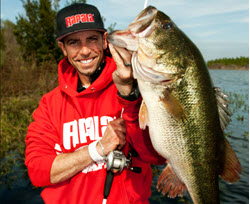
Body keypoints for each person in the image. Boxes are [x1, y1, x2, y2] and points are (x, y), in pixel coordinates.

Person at [25, 3, 165, 204]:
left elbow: (156, 156)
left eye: (92, 39)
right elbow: (38, 172)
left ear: (105, 40)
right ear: (63, 48)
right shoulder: (49, 104)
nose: (84, 51)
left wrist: (129, 95)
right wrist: (98, 149)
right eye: (73, 42)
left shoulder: (136, 88)